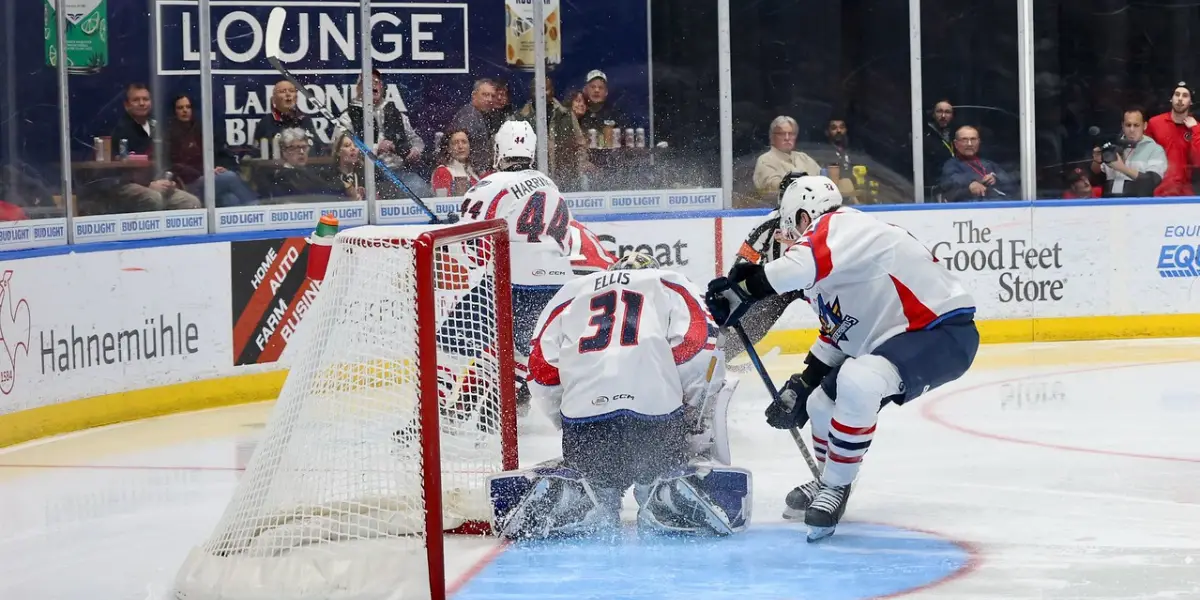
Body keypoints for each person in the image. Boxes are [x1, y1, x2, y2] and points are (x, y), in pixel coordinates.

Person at [705, 175, 979, 541]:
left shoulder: (842, 224)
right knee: (821, 403)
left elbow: (795, 268)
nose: (788, 239)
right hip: (896, 339)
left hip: (941, 332)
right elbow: (840, 333)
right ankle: (830, 481)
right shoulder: (834, 269)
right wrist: (804, 384)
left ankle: (834, 487)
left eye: (790, 228)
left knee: (858, 381)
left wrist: (744, 289)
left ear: (804, 217)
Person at [487, 251, 750, 539]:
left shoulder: (571, 291)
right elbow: (697, 348)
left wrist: (564, 417)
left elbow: (541, 368)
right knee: (658, 471)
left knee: (596, 479)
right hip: (655, 420)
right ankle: (662, 494)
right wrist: (692, 413)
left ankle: (580, 494)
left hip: (585, 425)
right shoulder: (670, 281)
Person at [454, 120, 613, 415]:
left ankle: (458, 408)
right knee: (524, 348)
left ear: (498, 149)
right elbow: (563, 239)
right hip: (556, 284)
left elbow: (471, 249)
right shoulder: (547, 183)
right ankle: (505, 407)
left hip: (513, 283)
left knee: (453, 340)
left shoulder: (490, 185)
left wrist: (455, 230)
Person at [720, 171, 810, 366]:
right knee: (755, 326)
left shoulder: (819, 222)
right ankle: (721, 358)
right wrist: (735, 291)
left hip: (812, 277)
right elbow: (744, 259)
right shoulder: (769, 223)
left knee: (837, 314)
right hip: (779, 281)